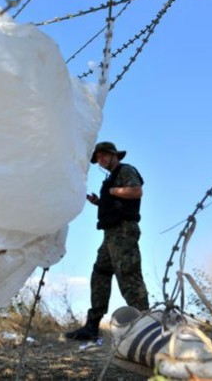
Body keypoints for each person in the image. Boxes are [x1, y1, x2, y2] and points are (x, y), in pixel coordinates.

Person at [65, 142, 149, 341]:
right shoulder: (111, 178)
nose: (101, 161)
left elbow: (136, 191)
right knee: (100, 274)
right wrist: (99, 202)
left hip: (124, 232)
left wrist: (111, 192)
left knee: (128, 273)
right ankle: (92, 326)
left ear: (114, 155)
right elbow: (116, 203)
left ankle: (146, 325)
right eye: (98, 158)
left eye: (104, 156)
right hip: (110, 234)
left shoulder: (125, 170)